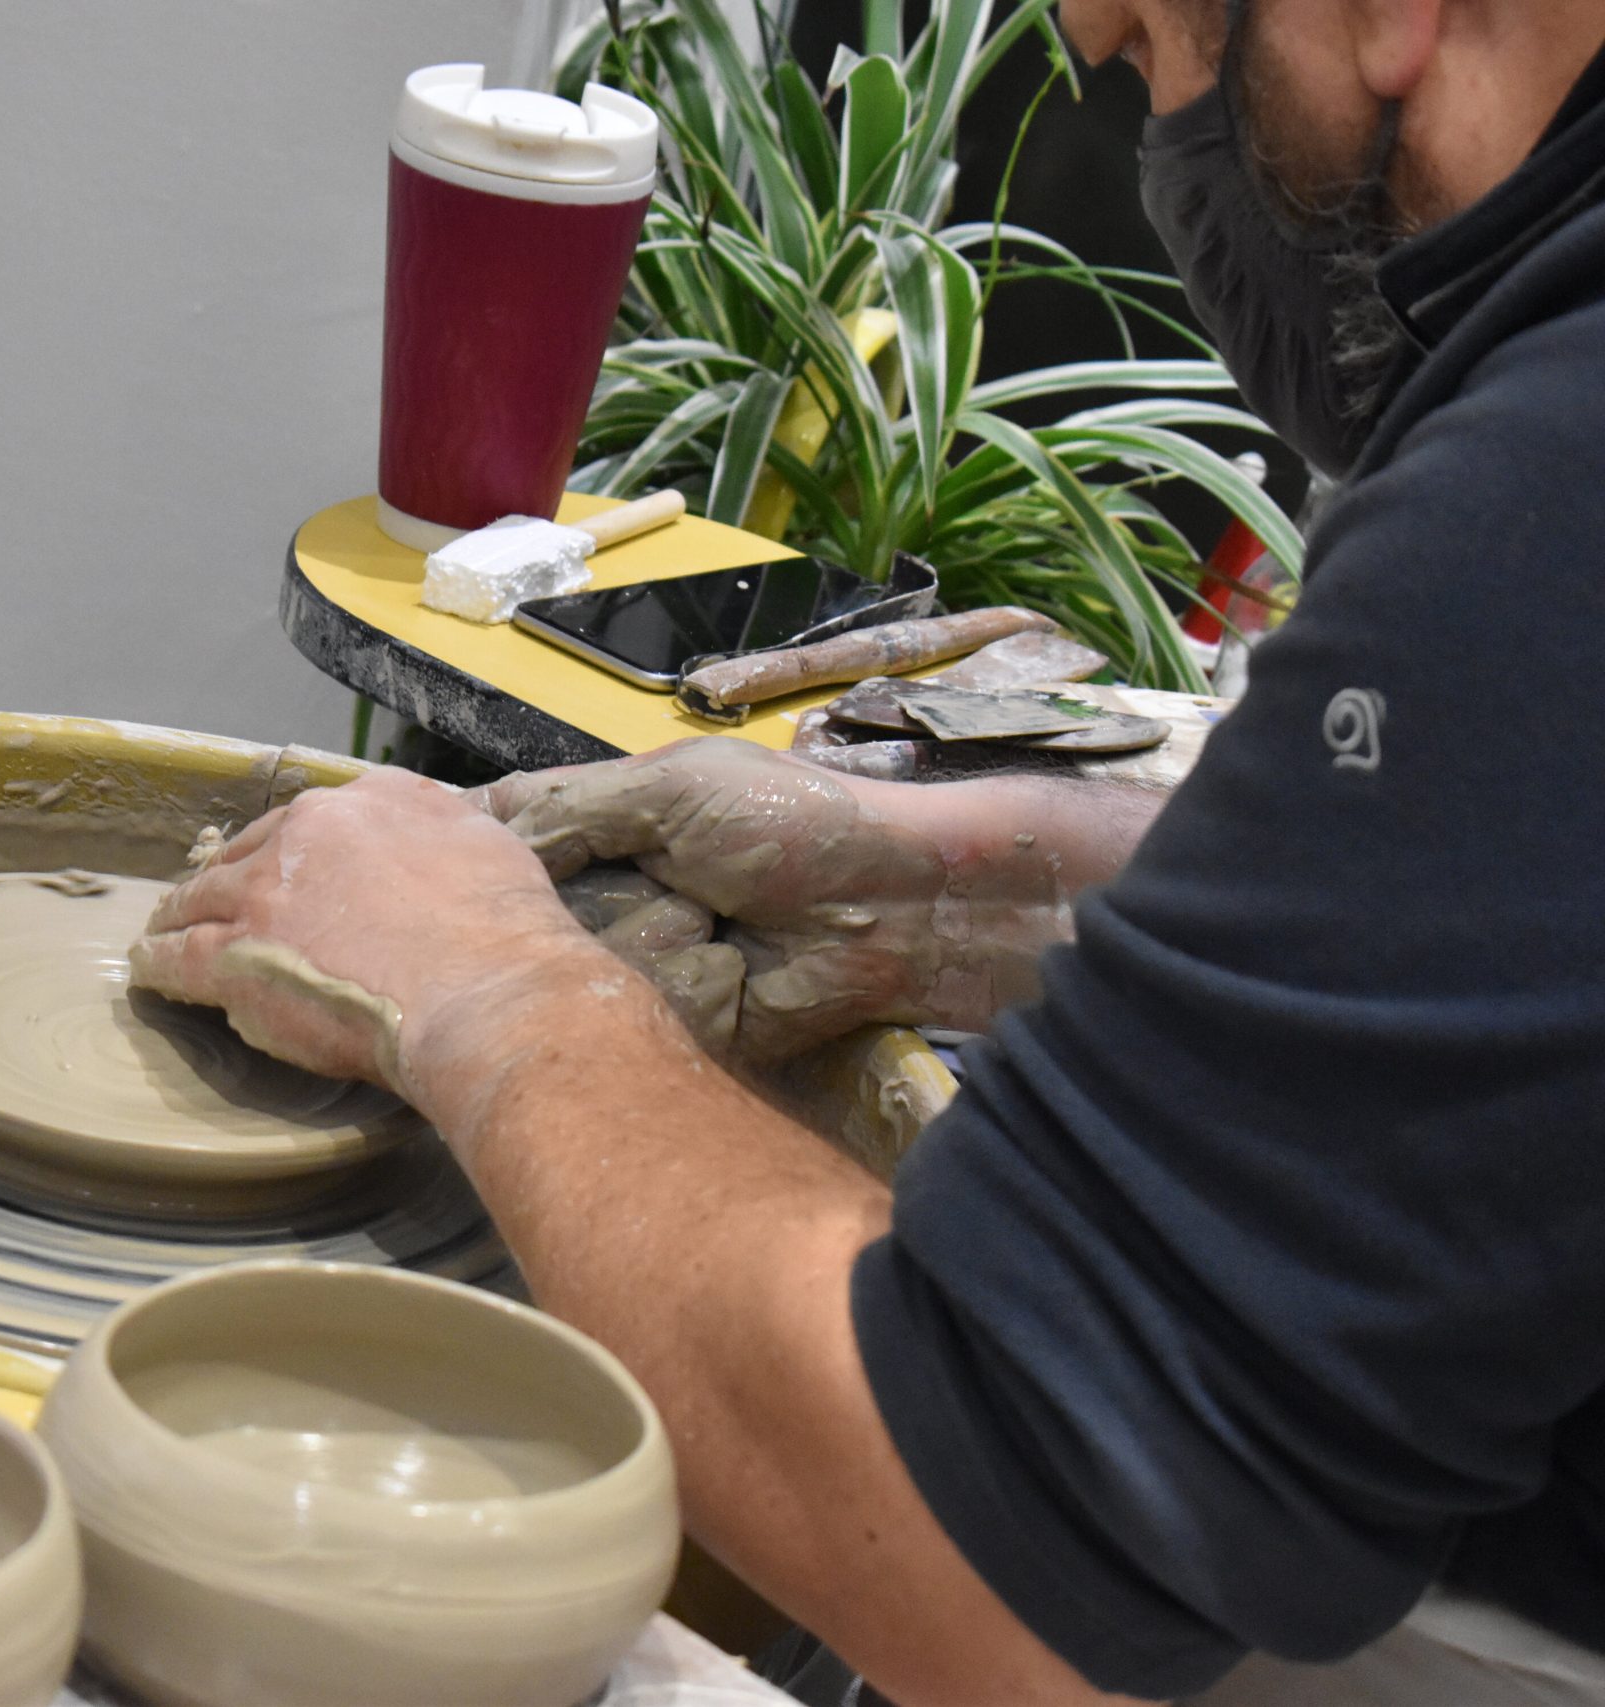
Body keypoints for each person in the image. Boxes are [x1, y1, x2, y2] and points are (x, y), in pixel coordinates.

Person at [129, 0, 1605, 1700]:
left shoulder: (1563, 478)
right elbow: (1508, 912)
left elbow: (1011, 1544)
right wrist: (988, 872)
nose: (1087, 21)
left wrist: (489, 992)